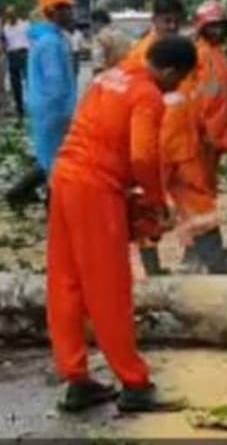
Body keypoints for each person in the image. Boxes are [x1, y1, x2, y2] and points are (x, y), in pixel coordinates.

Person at [46, 34, 196, 414]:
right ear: (168, 71)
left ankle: (76, 378)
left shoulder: (110, 75)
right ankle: (135, 384)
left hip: (65, 177)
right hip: (96, 187)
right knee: (109, 287)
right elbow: (143, 154)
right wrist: (153, 199)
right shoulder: (146, 94)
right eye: (177, 80)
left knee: (66, 282)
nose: (175, 88)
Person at [158, 0, 227, 274]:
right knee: (197, 198)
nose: (217, 31)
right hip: (200, 137)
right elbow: (192, 99)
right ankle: (196, 253)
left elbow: (222, 98)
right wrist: (201, 130)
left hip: (214, 138)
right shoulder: (199, 55)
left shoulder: (217, 54)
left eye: (220, 26)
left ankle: (198, 251)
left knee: (206, 194)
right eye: (212, 26)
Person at [25, 0, 79, 182]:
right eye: (66, 9)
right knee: (56, 166)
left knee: (49, 161)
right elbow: (55, 85)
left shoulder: (50, 39)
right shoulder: (51, 43)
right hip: (54, 112)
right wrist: (66, 116)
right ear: (52, 12)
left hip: (47, 111)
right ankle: (54, 207)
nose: (71, 13)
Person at [121, 0, 186, 69]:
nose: (173, 26)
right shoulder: (144, 51)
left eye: (177, 21)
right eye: (167, 21)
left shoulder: (181, 47)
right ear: (154, 20)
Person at [1, 6, 30, 119]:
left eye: (12, 14)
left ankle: (31, 106)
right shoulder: (5, 28)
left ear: (16, 15)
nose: (10, 17)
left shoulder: (25, 25)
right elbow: (5, 42)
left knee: (29, 82)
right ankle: (19, 108)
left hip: (24, 54)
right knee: (15, 84)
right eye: (8, 15)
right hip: (12, 55)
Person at [90, 9, 133, 75]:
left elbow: (98, 66)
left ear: (99, 21)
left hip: (108, 78)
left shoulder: (100, 38)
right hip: (125, 76)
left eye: (93, 23)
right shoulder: (123, 35)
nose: (92, 26)